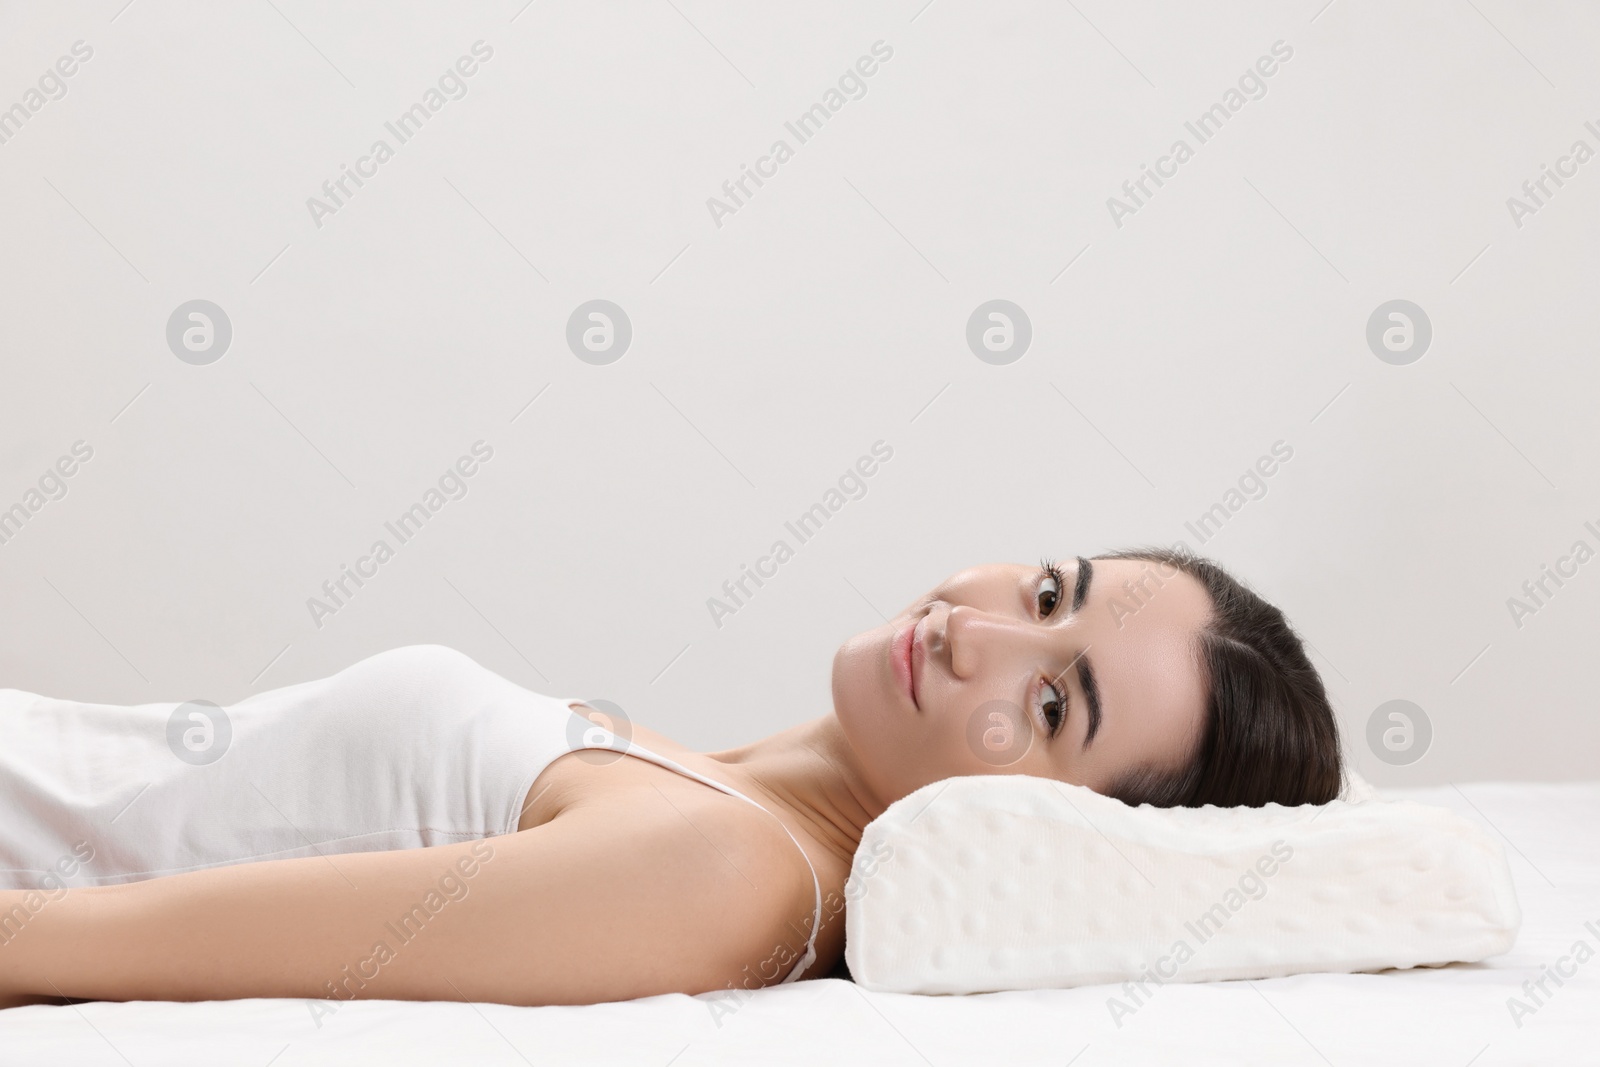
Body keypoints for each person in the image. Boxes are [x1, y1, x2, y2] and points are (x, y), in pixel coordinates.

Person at [0, 546, 1341, 1009]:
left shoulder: (735, 873)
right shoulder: (723, 790)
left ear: (1057, 833)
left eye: (1051, 703)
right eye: (1052, 589)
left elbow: (89, 940)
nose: (975, 631)